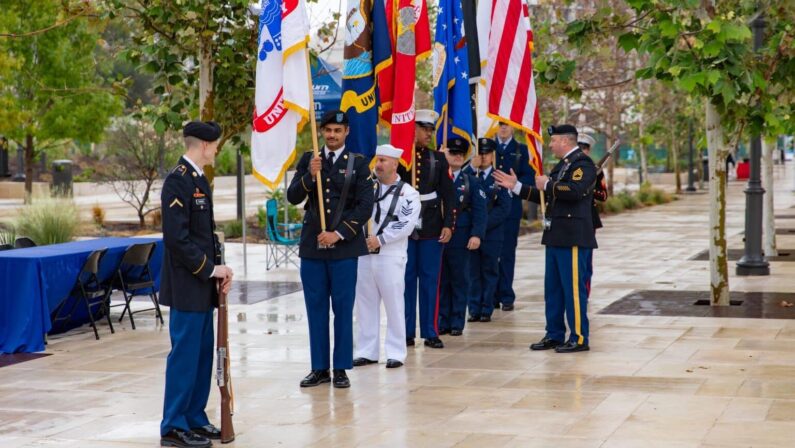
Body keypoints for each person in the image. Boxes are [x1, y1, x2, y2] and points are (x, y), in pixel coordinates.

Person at [159, 120, 234, 448]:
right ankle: (173, 424)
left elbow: (204, 235)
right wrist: (209, 270)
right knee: (185, 355)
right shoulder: (177, 182)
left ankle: (194, 418)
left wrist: (219, 270)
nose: (216, 149)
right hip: (188, 284)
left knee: (204, 354)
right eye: (214, 144)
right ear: (203, 145)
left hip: (203, 284)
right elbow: (177, 240)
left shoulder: (198, 179)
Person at [287, 110, 374, 388]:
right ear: (322, 132)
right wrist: (309, 176)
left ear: (347, 132)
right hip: (313, 248)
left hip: (343, 249)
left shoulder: (358, 163)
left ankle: (341, 369)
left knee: (343, 308)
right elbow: (293, 197)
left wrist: (338, 234)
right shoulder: (310, 159)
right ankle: (319, 368)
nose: (332, 135)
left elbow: (365, 206)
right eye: (328, 130)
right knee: (315, 308)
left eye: (338, 130)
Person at [493, 124, 597, 353]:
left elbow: (576, 190)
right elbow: (545, 194)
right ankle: (555, 334)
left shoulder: (583, 164)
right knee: (553, 290)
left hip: (572, 236)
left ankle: (579, 337)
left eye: (553, 141)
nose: (550, 145)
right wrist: (517, 186)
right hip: (556, 234)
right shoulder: (564, 165)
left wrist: (549, 184)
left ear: (566, 141)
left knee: (572, 290)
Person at [353, 144, 421, 369]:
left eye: (383, 161)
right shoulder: (366, 188)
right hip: (364, 253)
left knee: (393, 304)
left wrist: (380, 239)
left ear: (395, 164)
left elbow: (406, 224)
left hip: (390, 255)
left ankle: (396, 352)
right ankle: (367, 351)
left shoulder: (409, 193)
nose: (378, 165)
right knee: (364, 305)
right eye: (377, 160)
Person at [398, 110, 455, 349]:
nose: (429, 134)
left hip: (431, 225)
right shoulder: (401, 158)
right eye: (425, 129)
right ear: (413, 129)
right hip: (404, 227)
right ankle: (407, 331)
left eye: (431, 130)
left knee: (431, 280)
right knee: (406, 279)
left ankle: (431, 331)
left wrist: (449, 224)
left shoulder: (438, 159)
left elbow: (449, 195)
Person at [437, 138, 486, 336]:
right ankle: (442, 321)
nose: (457, 157)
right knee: (442, 280)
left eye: (460, 154)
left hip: (461, 237)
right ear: (444, 154)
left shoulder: (471, 181)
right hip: (438, 236)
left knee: (459, 279)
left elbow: (480, 211)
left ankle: (457, 321)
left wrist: (476, 235)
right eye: (452, 153)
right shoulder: (435, 179)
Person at [464, 138, 511, 322]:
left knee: (489, 271)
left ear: (493, 156)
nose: (483, 157)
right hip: (471, 234)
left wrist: (482, 226)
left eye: (487, 153)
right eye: (480, 153)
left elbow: (504, 208)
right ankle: (473, 308)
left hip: (492, 234)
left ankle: (486, 308)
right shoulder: (469, 175)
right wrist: (469, 167)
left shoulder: (500, 177)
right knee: (472, 272)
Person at [493, 123, 535, 312]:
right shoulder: (486, 147)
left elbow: (530, 176)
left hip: (511, 208)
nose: (503, 128)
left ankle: (506, 295)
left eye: (507, 125)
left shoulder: (521, 150)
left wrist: (515, 184)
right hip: (489, 208)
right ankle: (490, 295)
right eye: (500, 124)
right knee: (489, 253)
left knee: (507, 253)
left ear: (513, 128)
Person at [578, 133, 607, 295]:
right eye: (579, 148)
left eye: (585, 148)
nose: (582, 151)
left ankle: (585, 290)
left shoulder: (597, 171)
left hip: (589, 217)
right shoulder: (568, 167)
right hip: (571, 217)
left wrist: (589, 189)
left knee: (586, 257)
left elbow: (603, 196)